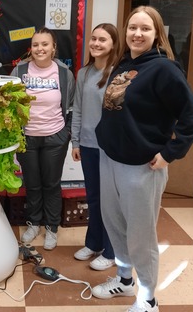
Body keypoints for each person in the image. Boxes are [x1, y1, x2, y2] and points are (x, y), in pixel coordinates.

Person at [92, 6, 193, 312]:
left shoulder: (164, 70)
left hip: (140, 168)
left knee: (141, 236)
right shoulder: (124, 63)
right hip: (111, 159)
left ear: (157, 35)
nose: (136, 34)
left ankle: (148, 298)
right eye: (132, 27)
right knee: (115, 226)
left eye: (145, 28)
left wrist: (170, 153)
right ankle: (125, 280)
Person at [11, 26, 75, 250]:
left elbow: (70, 106)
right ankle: (34, 223)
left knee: (51, 184)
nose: (40, 48)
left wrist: (65, 134)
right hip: (27, 137)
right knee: (33, 184)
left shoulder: (64, 73)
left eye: (45, 44)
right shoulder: (19, 72)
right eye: (36, 44)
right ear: (31, 47)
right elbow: (9, 105)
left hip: (54, 137)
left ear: (53, 47)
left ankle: (52, 227)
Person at [71, 23, 119, 271]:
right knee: (93, 197)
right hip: (88, 145)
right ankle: (94, 243)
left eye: (103, 40)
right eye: (93, 39)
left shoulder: (119, 73)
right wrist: (75, 141)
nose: (96, 44)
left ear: (113, 44)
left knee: (110, 201)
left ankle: (111, 252)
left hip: (111, 147)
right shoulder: (84, 73)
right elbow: (78, 108)